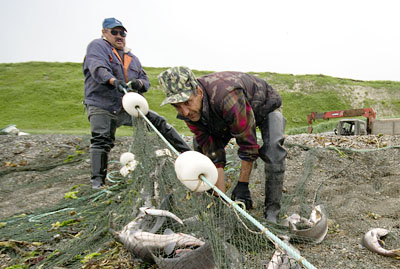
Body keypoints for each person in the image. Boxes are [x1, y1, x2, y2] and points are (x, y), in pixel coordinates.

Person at [157, 66, 287, 223]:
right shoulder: (190, 113)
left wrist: (242, 185)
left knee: (273, 151)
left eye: (187, 102)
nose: (184, 112)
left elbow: (248, 143)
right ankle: (217, 206)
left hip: (265, 106)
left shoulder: (227, 97)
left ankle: (272, 212)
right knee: (200, 149)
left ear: (198, 92)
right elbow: (213, 153)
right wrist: (222, 198)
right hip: (220, 114)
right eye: (177, 106)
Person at [83, 17, 191, 188]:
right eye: (114, 32)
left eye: (122, 33)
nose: (119, 36)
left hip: (127, 106)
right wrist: (112, 81)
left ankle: (189, 155)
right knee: (101, 139)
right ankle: (97, 182)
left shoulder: (131, 57)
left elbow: (144, 79)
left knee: (159, 124)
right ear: (104, 33)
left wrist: (139, 84)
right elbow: (98, 68)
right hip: (101, 104)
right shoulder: (97, 46)